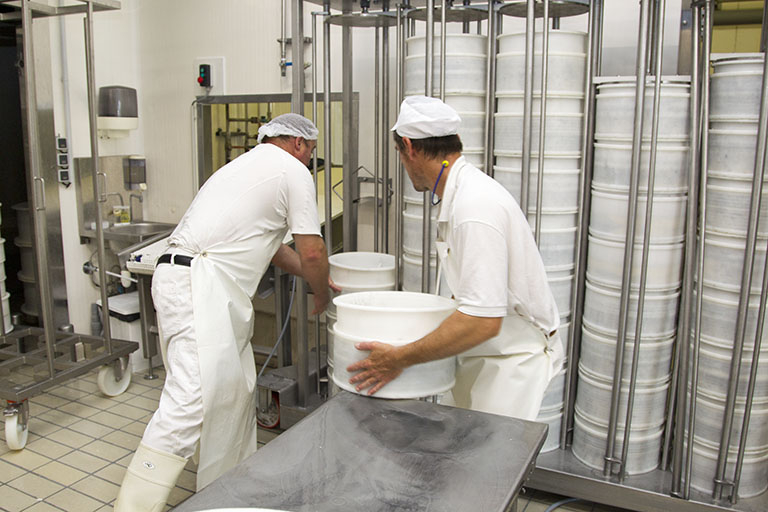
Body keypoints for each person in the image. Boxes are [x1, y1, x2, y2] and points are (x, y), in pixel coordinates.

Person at [115, 113, 335, 511]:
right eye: (310, 153)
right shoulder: (291, 170)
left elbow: (276, 247)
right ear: (299, 144)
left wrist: (315, 275)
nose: (309, 161)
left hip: (199, 283)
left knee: (233, 390)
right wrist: (322, 293)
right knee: (191, 400)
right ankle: (133, 506)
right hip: (199, 283)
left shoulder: (247, 166)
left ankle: (224, 494)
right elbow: (313, 249)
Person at [347, 96, 564, 420]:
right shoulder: (462, 194)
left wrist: (399, 358)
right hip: (486, 353)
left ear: (409, 147)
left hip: (511, 361)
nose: (404, 166)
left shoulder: (473, 208)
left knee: (488, 462)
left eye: (399, 155)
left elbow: (482, 322)